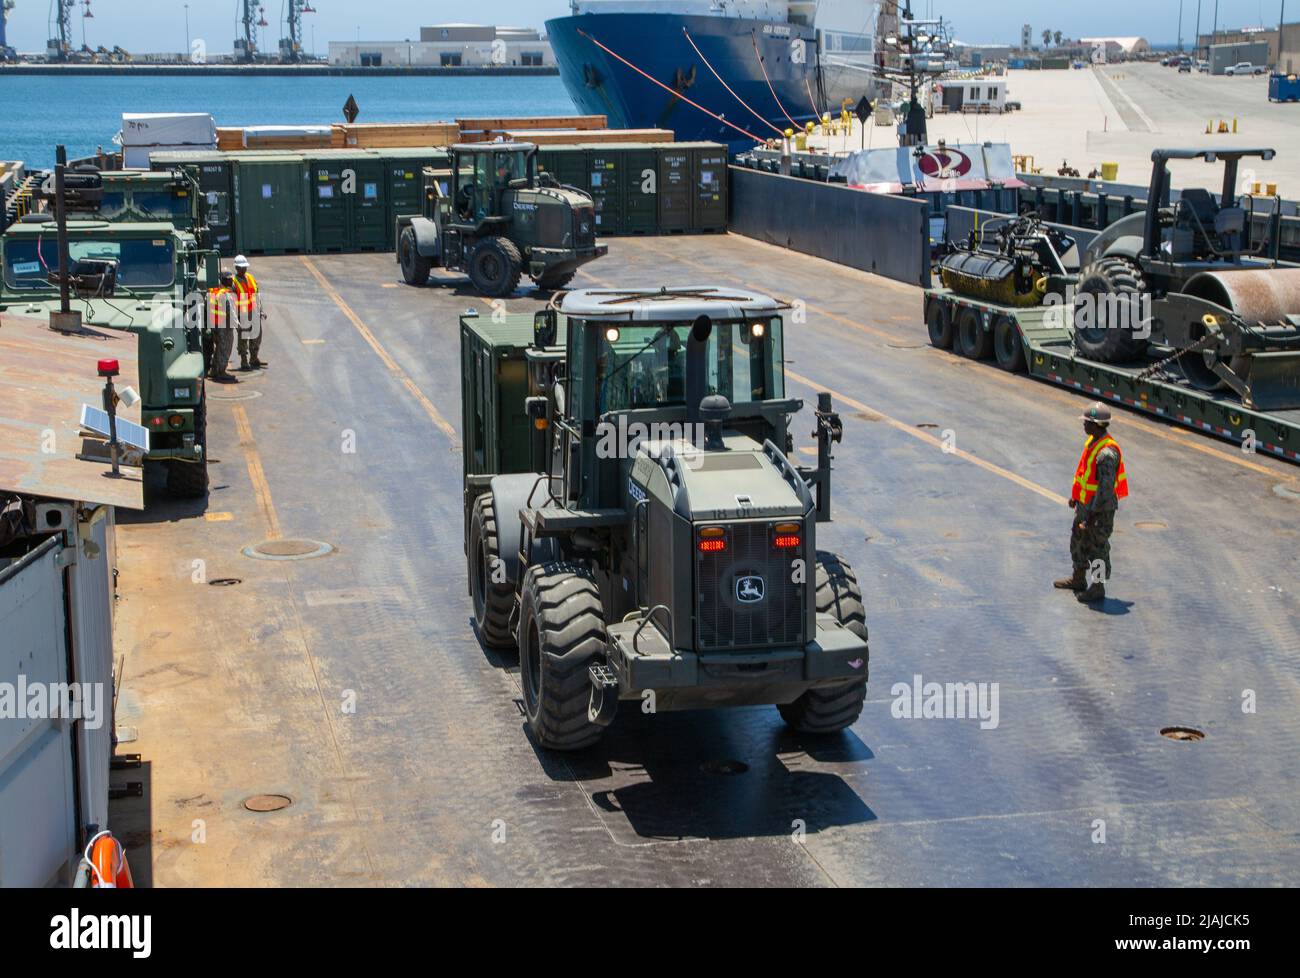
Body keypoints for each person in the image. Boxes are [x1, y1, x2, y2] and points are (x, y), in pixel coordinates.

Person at [1056, 403, 1128, 604]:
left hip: (1099, 510)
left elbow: (1104, 490)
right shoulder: (1092, 441)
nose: (1084, 425)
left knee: (1097, 547)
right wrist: (1077, 497)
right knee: (1078, 540)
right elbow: (1086, 475)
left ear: (1096, 424)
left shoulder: (1106, 453)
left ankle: (1097, 587)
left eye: (1087, 422)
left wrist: (1091, 516)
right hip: (1085, 505)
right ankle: (1078, 579)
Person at [232, 255, 264, 371]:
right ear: (236, 268)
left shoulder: (250, 277)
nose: (244, 269)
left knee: (257, 336)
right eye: (241, 267)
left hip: (254, 312)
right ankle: (244, 360)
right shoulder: (233, 282)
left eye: (245, 267)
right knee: (243, 338)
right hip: (242, 315)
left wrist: (261, 310)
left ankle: (254, 358)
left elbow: (257, 295)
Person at [207, 270, 238, 381]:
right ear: (226, 280)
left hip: (215, 325)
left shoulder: (213, 292)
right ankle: (221, 372)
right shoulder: (226, 295)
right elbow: (232, 312)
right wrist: (238, 325)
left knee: (218, 348)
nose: (232, 281)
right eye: (230, 279)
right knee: (225, 349)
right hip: (224, 327)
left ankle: (214, 370)